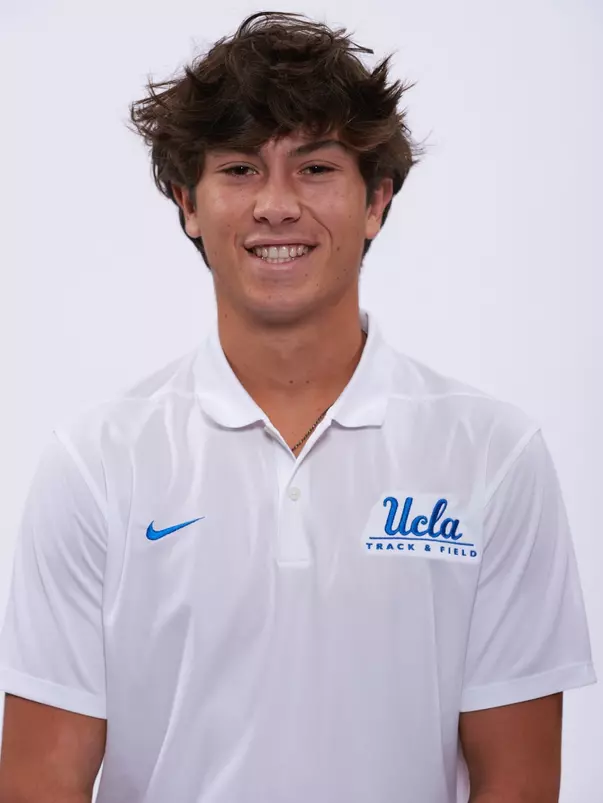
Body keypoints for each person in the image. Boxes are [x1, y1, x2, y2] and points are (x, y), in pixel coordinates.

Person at [0, 10, 596, 803]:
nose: (276, 205)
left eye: (314, 168)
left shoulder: (491, 453)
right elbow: (42, 776)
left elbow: (516, 779)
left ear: (376, 200)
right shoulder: (98, 461)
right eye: (240, 169)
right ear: (187, 202)